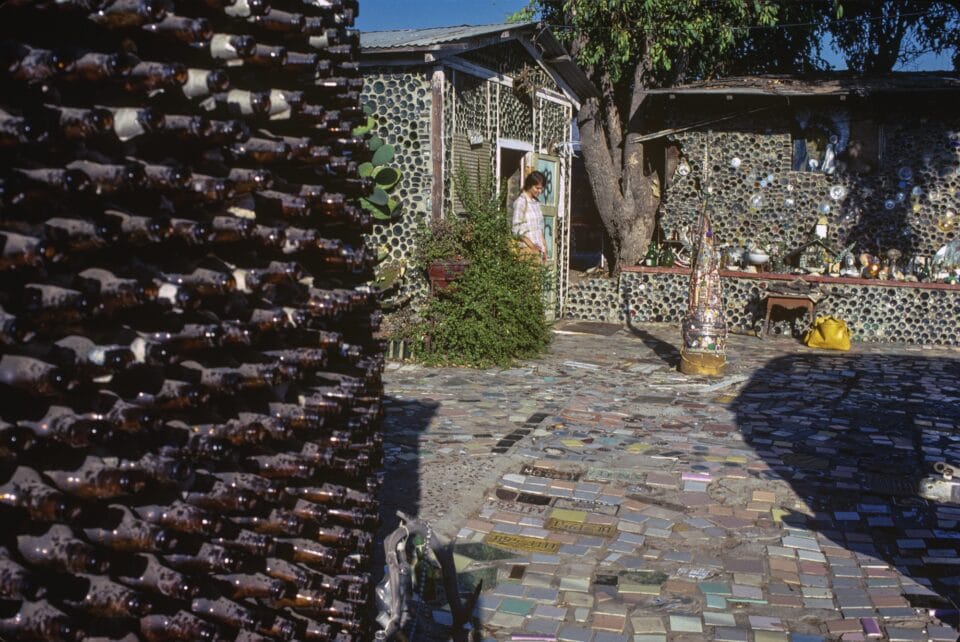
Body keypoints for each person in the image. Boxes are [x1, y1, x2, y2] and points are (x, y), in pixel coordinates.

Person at [512, 171, 547, 262]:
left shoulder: (536, 202)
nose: (540, 191)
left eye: (541, 188)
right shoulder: (521, 202)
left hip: (538, 250)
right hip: (526, 250)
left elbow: (539, 227)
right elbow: (516, 230)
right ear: (529, 185)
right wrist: (532, 246)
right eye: (537, 188)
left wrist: (544, 247)